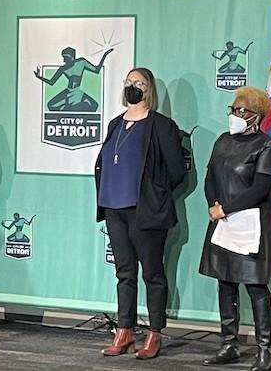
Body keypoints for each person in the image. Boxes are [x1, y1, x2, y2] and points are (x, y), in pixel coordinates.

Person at [94, 67, 187, 359]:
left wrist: (155, 193)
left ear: (149, 90)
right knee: (124, 273)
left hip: (145, 211)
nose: (133, 86)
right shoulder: (114, 124)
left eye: (139, 83)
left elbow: (176, 170)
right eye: (129, 82)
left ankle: (155, 333)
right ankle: (124, 331)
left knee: (153, 274)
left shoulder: (161, 125)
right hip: (114, 208)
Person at [199, 86, 271, 371]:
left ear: (256, 116)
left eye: (241, 110)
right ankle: (229, 344)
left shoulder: (268, 147)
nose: (235, 114)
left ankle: (264, 350)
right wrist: (213, 205)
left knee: (256, 287)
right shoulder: (222, 141)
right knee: (225, 281)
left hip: (250, 225)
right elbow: (210, 176)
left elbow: (260, 188)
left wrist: (227, 208)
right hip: (222, 221)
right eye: (233, 109)